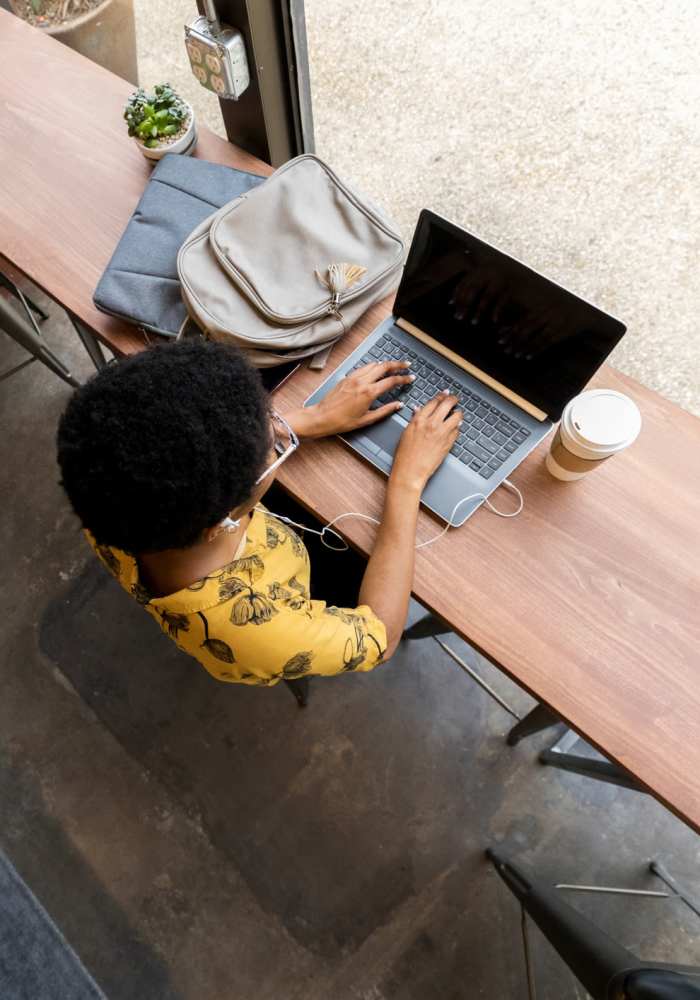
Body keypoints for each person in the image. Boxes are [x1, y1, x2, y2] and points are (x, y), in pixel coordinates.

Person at [56, 340, 461, 688]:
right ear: (221, 523)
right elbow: (381, 638)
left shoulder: (110, 493)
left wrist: (311, 419)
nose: (280, 432)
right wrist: (407, 482)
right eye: (274, 447)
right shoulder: (257, 630)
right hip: (300, 584)